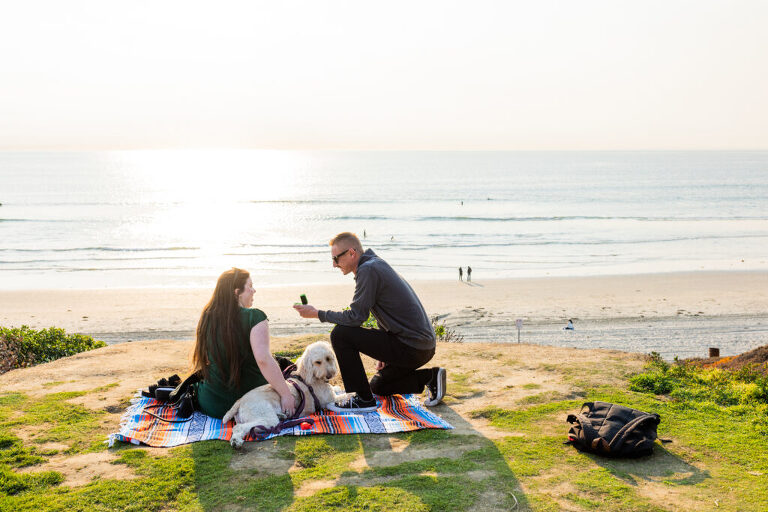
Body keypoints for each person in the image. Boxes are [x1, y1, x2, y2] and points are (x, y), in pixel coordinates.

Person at [294, 232, 446, 411]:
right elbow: (388, 314)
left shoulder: (368, 269)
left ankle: (360, 399)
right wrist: (383, 355)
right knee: (378, 386)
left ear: (351, 253)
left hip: (411, 346)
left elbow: (356, 317)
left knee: (341, 334)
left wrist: (318, 313)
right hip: (420, 347)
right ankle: (430, 377)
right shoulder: (373, 265)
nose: (334, 264)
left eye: (336, 258)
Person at [192, 268, 296, 419]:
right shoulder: (255, 316)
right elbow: (263, 359)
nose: (254, 290)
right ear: (236, 292)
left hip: (213, 405)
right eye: (250, 286)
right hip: (251, 403)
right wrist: (286, 395)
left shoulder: (208, 316)